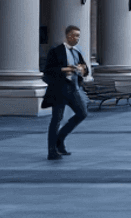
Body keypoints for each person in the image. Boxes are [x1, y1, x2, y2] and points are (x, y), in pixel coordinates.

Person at [42, 24, 89, 161]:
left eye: (79, 36)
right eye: (75, 35)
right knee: (56, 119)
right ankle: (52, 151)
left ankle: (60, 139)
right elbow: (48, 71)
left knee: (82, 113)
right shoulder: (56, 51)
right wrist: (65, 69)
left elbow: (85, 70)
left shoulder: (77, 52)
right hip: (59, 89)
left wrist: (82, 69)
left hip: (73, 89)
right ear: (68, 36)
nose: (77, 38)